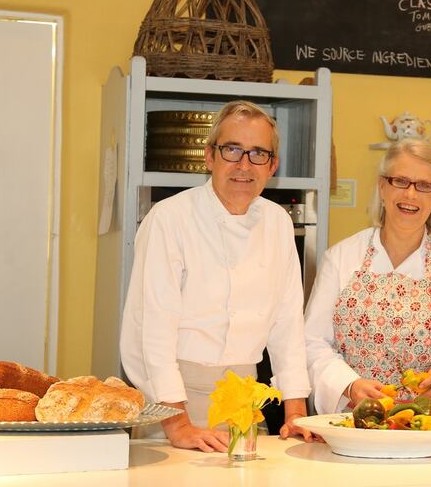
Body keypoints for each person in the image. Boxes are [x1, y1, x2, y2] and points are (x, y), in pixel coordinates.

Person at [120, 100, 313, 452]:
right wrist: (177, 424)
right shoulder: (169, 219)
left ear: (273, 166)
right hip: (174, 398)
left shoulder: (278, 222)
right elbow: (153, 329)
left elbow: (287, 323)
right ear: (209, 157)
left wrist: (295, 411)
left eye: (258, 153)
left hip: (245, 396)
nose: (244, 165)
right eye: (232, 150)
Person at [305, 139, 431, 414]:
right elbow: (313, 341)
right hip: (355, 419)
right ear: (382, 187)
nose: (410, 195)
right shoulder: (340, 258)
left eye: (424, 186)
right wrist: (349, 384)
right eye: (400, 181)